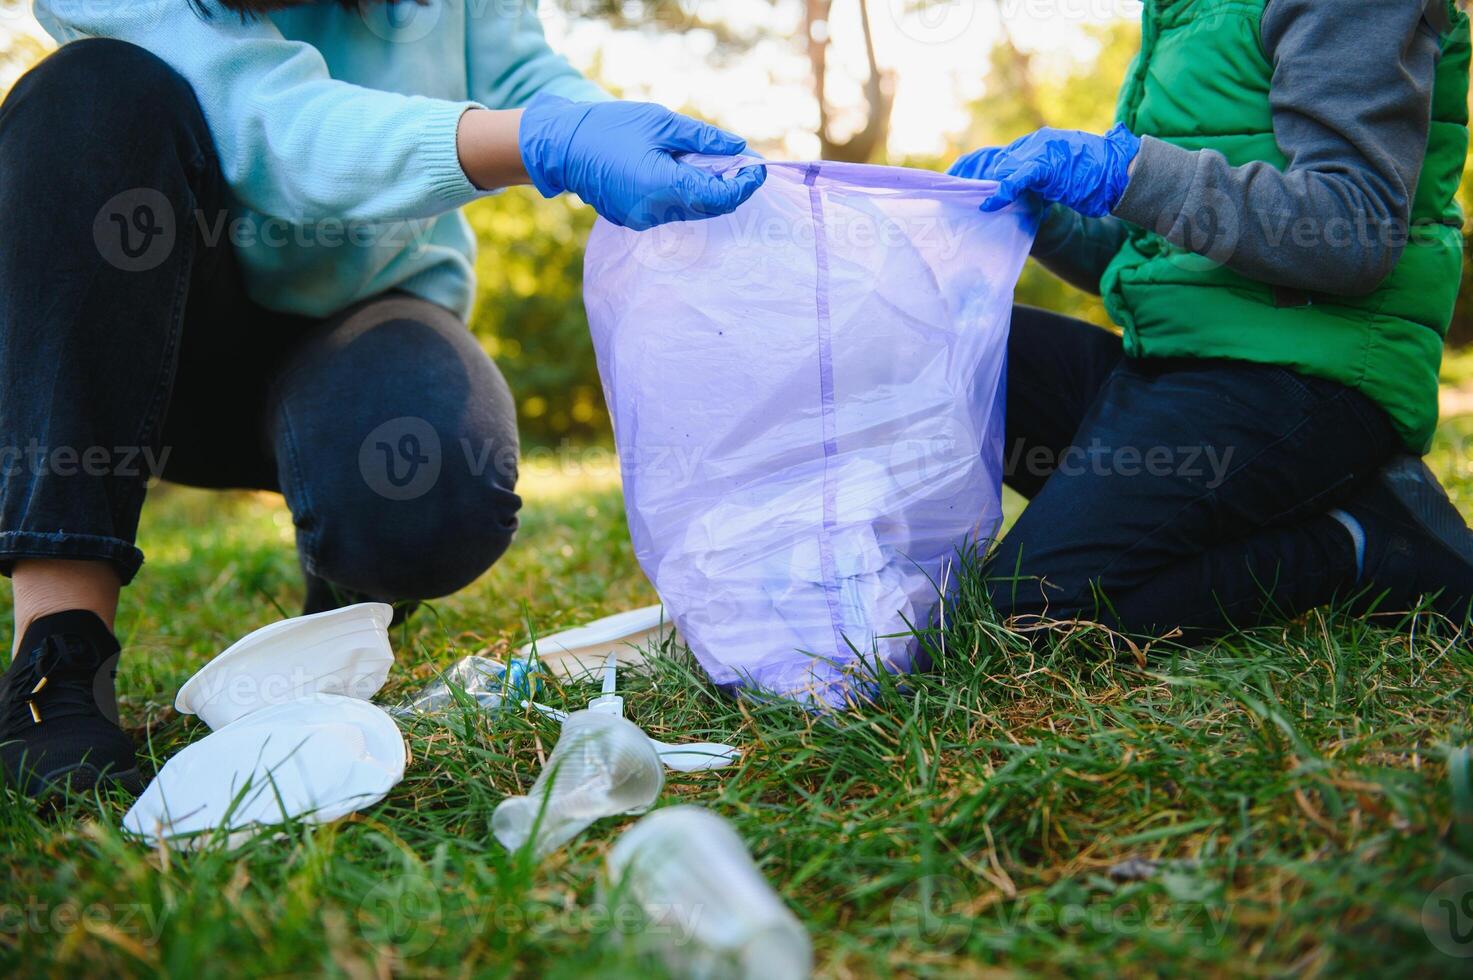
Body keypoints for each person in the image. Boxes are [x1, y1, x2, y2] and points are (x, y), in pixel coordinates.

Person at [0, 0, 765, 794]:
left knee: (431, 487)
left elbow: (515, 74)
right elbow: (277, 126)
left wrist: (628, 132)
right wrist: (542, 146)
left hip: (361, 317)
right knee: (90, 92)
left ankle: (343, 608)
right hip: (147, 347)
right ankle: (61, 651)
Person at [948, 0, 1473, 639]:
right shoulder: (1182, 14)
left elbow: (1352, 230)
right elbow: (1161, 261)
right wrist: (1043, 216)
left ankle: (1361, 544)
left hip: (1304, 380)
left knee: (1018, 614)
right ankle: (1259, 513)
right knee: (951, 350)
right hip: (1169, 367)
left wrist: (1127, 173)